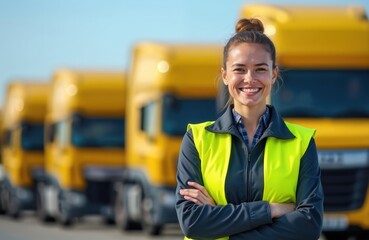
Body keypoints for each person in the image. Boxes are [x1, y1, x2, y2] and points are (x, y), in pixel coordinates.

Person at [175, 18, 324, 240]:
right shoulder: (197, 139)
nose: (250, 79)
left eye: (260, 69)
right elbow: (192, 222)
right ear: (225, 75)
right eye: (240, 69)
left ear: (274, 74)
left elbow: (309, 225)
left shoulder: (301, 141)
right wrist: (270, 210)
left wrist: (219, 221)